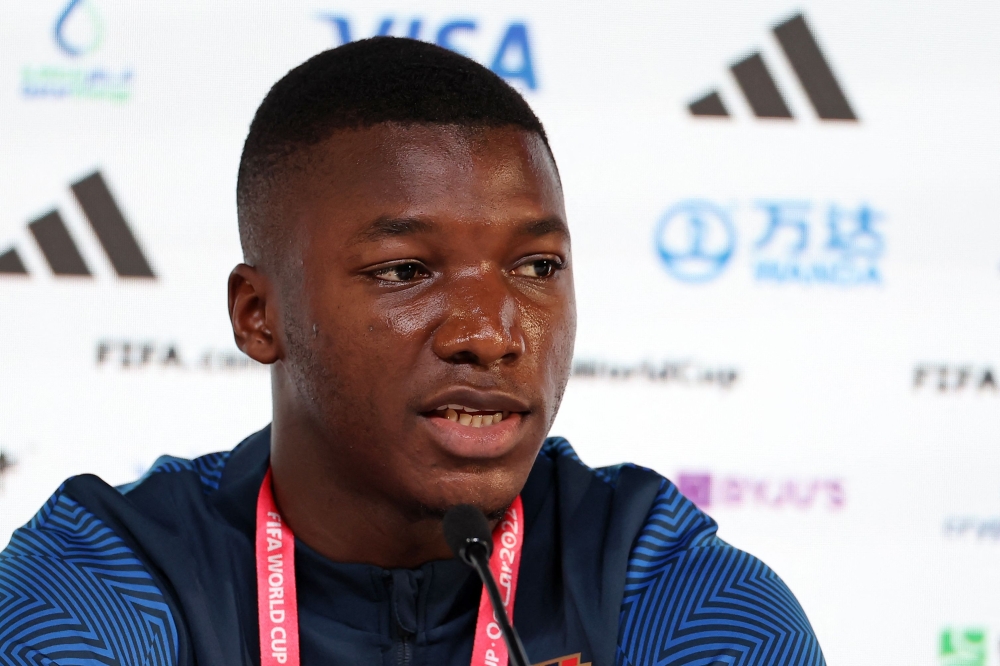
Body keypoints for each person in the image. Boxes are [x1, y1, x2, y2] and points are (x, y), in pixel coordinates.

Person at [0, 37, 825, 666]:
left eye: (537, 267)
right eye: (406, 271)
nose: (490, 333)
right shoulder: (106, 582)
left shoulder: (671, 594)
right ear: (259, 316)